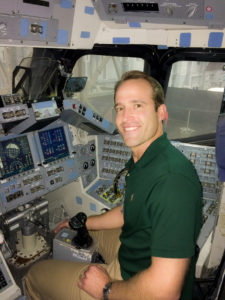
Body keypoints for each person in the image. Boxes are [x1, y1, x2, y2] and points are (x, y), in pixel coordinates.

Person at [25, 70, 202, 300]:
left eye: (138, 105)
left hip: (136, 282)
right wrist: (85, 222)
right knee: (83, 234)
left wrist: (105, 288)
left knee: (35, 275)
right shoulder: (147, 159)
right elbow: (127, 211)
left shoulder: (173, 182)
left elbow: (165, 293)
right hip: (134, 254)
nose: (126, 117)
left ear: (161, 112)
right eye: (120, 107)